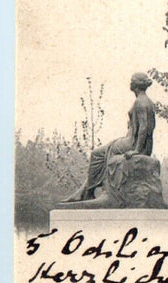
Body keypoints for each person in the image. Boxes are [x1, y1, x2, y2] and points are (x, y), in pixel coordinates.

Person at [63, 72, 156, 202]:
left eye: (131, 81)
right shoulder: (146, 101)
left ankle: (88, 192)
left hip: (134, 143)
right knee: (103, 152)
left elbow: (144, 128)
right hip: (134, 142)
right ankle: (86, 191)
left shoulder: (140, 102)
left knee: (97, 154)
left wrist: (136, 150)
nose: (130, 83)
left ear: (135, 84)